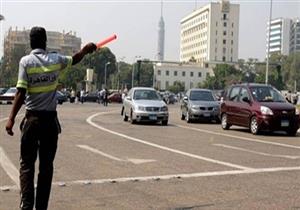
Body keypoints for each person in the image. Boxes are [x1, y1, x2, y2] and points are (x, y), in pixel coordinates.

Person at [5, 26, 97, 210]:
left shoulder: (26, 62)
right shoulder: (56, 60)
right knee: (46, 168)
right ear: (45, 42)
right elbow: (75, 59)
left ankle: (26, 205)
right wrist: (85, 50)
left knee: (27, 165)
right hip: (49, 123)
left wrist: (11, 118)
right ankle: (41, 207)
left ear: (31, 42)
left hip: (31, 121)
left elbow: (21, 92)